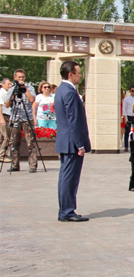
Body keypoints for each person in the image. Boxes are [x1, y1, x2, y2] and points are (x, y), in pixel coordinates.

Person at [55, 60, 91, 222]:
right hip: (72, 143)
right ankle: (67, 211)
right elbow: (73, 121)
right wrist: (80, 144)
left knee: (66, 177)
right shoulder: (69, 92)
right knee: (69, 178)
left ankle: (65, 209)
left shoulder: (61, 89)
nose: (80, 76)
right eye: (79, 73)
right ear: (71, 74)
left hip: (66, 141)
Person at [3, 69, 37, 172]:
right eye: (19, 77)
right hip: (15, 117)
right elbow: (7, 104)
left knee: (30, 142)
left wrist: (25, 89)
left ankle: (32, 165)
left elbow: (32, 100)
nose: (21, 79)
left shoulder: (29, 87)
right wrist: (14, 93)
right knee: (14, 142)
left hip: (27, 118)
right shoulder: (11, 89)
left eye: (23, 77)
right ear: (15, 78)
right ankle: (14, 164)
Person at [0, 78, 12, 163]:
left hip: (7, 116)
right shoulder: (2, 92)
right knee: (6, 137)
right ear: (2, 84)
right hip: (4, 116)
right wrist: (2, 119)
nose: (10, 86)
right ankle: (2, 155)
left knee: (2, 137)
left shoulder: (6, 92)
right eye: (8, 84)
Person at [122, 85, 134, 151]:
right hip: (129, 116)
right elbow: (124, 108)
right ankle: (126, 146)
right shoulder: (126, 99)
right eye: (133, 91)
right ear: (130, 91)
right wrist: (125, 118)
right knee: (127, 132)